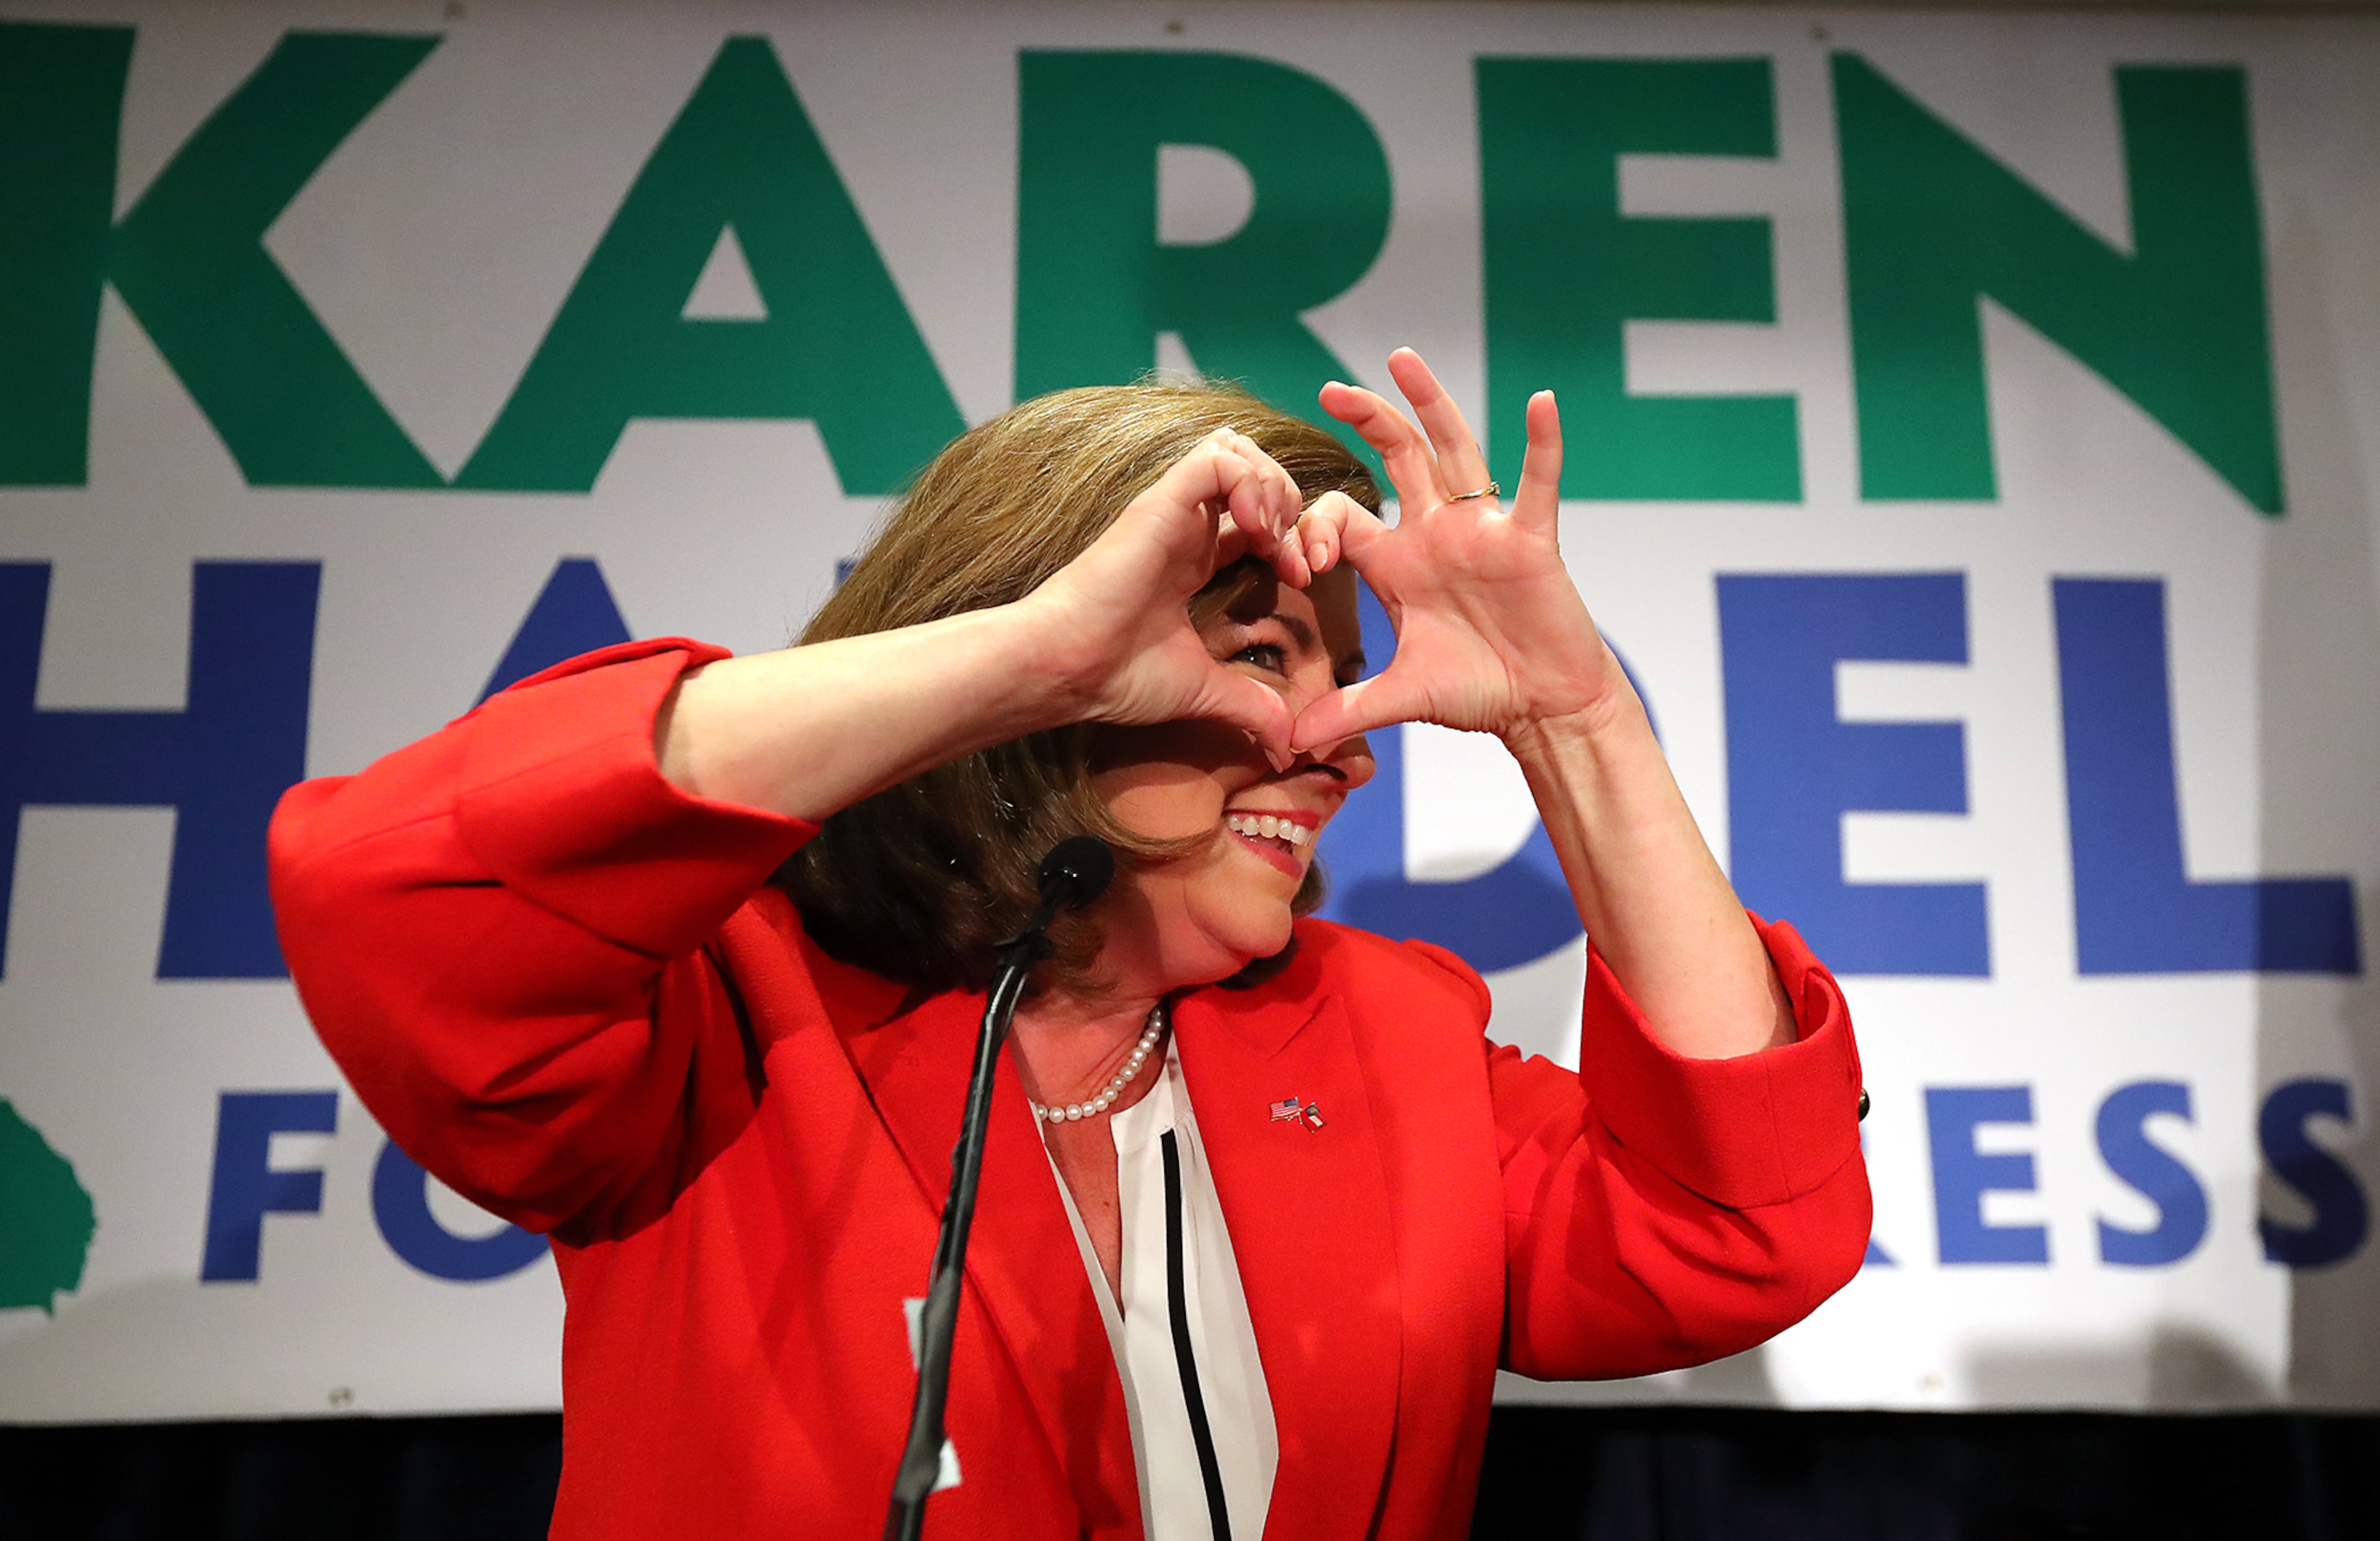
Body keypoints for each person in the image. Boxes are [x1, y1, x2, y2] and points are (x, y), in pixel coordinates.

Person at [270, 349, 1869, 1541]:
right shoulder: (730, 1011)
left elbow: (1737, 1226)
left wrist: (1576, 719)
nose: (1337, 741)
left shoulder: (1386, 1037)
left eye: (1338, 676)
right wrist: (1025, 654)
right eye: (1257, 654)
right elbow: (394, 903)